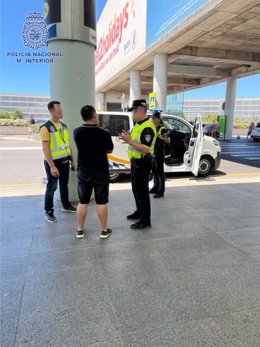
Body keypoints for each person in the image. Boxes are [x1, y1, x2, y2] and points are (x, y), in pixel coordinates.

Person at [73, 105, 114, 239]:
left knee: (82, 201)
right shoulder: (104, 133)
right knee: (101, 202)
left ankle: (80, 230)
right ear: (94, 116)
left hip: (84, 171)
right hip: (100, 171)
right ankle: (103, 230)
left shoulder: (77, 132)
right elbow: (109, 150)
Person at [121, 99, 156, 229]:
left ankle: (145, 220)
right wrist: (129, 137)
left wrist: (130, 141)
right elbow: (136, 141)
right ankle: (139, 212)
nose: (132, 114)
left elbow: (146, 149)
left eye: (134, 111)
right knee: (136, 190)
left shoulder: (147, 127)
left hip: (142, 163)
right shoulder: (139, 124)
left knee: (142, 192)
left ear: (142, 110)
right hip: (136, 163)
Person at [40, 101, 76, 223]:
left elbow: (68, 144)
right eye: (59, 110)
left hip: (65, 161)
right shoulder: (45, 128)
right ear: (51, 111)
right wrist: (52, 166)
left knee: (64, 185)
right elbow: (45, 148)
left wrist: (73, 160)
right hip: (53, 163)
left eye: (61, 110)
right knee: (51, 187)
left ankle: (66, 205)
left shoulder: (64, 126)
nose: (61, 112)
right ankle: (49, 211)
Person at [150, 111, 170, 198]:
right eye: (152, 118)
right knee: (154, 170)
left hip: (160, 152)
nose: (153, 120)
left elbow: (168, 140)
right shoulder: (154, 128)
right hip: (154, 152)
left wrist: (158, 136)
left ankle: (161, 191)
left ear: (158, 119)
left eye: (154, 118)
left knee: (160, 172)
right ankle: (155, 187)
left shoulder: (162, 129)